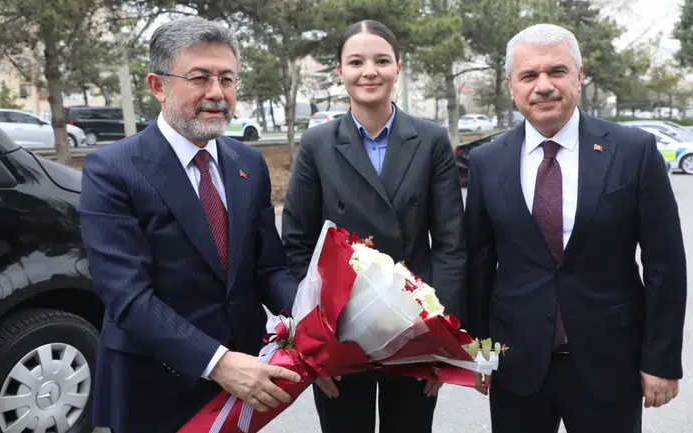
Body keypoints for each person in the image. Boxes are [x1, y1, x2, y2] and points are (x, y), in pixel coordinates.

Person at [78, 16, 301, 433]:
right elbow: (127, 297)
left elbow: (268, 268)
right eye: (199, 78)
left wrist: (313, 324)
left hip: (242, 382)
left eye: (227, 79)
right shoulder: (112, 170)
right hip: (153, 385)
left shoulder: (247, 163)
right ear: (158, 86)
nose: (217, 93)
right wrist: (217, 362)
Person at [465, 23, 687, 433]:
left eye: (558, 72)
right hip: (517, 366)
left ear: (580, 75)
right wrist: (480, 353)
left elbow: (665, 266)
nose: (544, 86)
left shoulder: (633, 151)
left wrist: (661, 359)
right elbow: (479, 268)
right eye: (529, 75)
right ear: (511, 85)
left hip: (609, 362)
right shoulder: (486, 161)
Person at [281, 19, 467, 433]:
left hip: (415, 329)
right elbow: (296, 245)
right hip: (339, 330)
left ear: (398, 67)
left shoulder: (431, 140)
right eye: (357, 62)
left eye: (382, 60)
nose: (370, 71)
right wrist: (310, 345)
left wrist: (444, 342)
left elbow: (451, 243)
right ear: (340, 71)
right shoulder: (317, 145)